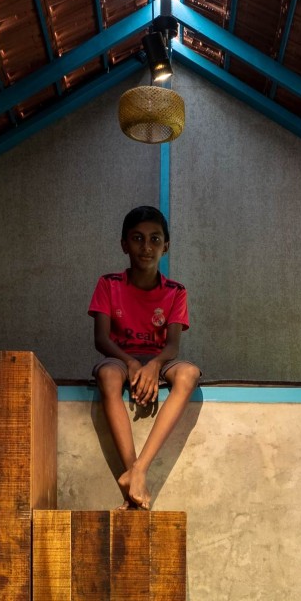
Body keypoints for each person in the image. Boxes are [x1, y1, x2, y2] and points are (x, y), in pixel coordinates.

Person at [89, 206, 201, 509]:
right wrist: (131, 362)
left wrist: (153, 365)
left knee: (189, 374)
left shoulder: (176, 291)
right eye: (137, 238)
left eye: (154, 239)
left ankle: (139, 469)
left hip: (159, 359)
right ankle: (132, 470)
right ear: (125, 244)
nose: (146, 247)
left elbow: (173, 347)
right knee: (109, 376)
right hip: (119, 356)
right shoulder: (109, 284)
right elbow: (101, 339)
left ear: (166, 246)